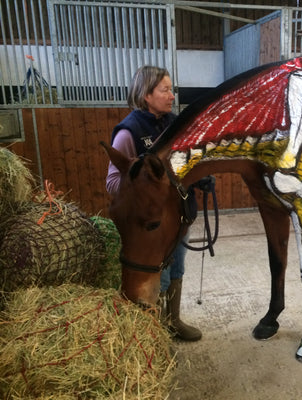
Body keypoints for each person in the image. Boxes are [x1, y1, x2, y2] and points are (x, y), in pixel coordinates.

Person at [106, 65, 202, 342]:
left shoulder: (176, 125)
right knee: (156, 275)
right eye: (165, 90)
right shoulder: (128, 132)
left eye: (171, 89)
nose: (172, 95)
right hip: (151, 224)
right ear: (146, 95)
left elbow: (185, 166)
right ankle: (154, 333)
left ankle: (173, 321)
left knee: (178, 267)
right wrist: (143, 184)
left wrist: (199, 177)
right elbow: (112, 181)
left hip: (178, 217)